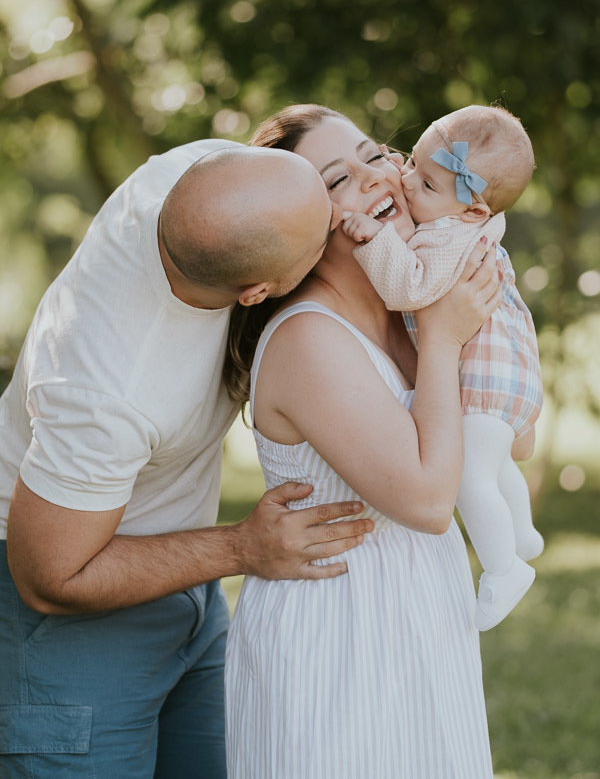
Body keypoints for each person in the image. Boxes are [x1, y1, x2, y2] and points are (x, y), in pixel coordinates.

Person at [0, 139, 374, 778]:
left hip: (187, 583)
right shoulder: (105, 391)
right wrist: (240, 550)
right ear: (258, 290)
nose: (342, 221)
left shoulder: (191, 173)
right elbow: (50, 578)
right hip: (72, 610)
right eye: (323, 233)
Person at [224, 104, 509, 778]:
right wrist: (444, 339)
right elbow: (429, 499)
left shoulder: (407, 317)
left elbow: (511, 445)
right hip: (340, 632)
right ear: (294, 222)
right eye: (336, 177)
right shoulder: (309, 337)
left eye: (374, 154)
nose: (376, 178)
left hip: (422, 615)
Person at [341, 104, 544, 630]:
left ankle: (503, 569)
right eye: (411, 164)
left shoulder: (449, 235)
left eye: (426, 186)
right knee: (497, 464)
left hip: (486, 378)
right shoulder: (470, 216)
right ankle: (522, 531)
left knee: (469, 475)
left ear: (472, 211)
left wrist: (372, 238)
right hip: (510, 373)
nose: (407, 183)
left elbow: (410, 287)